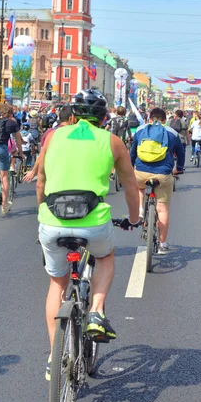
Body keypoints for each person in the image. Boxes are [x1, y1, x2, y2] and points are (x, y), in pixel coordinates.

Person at [37, 89, 140, 381]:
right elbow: (130, 185)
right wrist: (134, 218)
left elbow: (40, 181)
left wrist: (41, 214)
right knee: (105, 255)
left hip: (52, 219)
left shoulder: (54, 137)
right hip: (92, 221)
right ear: (104, 118)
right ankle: (96, 311)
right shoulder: (113, 141)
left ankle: (53, 356)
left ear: (73, 114)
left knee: (57, 283)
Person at [130, 107, 185, 254]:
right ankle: (162, 244)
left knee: (139, 187)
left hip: (141, 172)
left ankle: (141, 210)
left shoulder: (140, 130)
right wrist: (178, 168)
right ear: (164, 120)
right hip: (163, 175)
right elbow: (181, 153)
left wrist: (131, 167)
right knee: (163, 208)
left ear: (149, 118)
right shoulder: (172, 133)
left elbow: (133, 151)